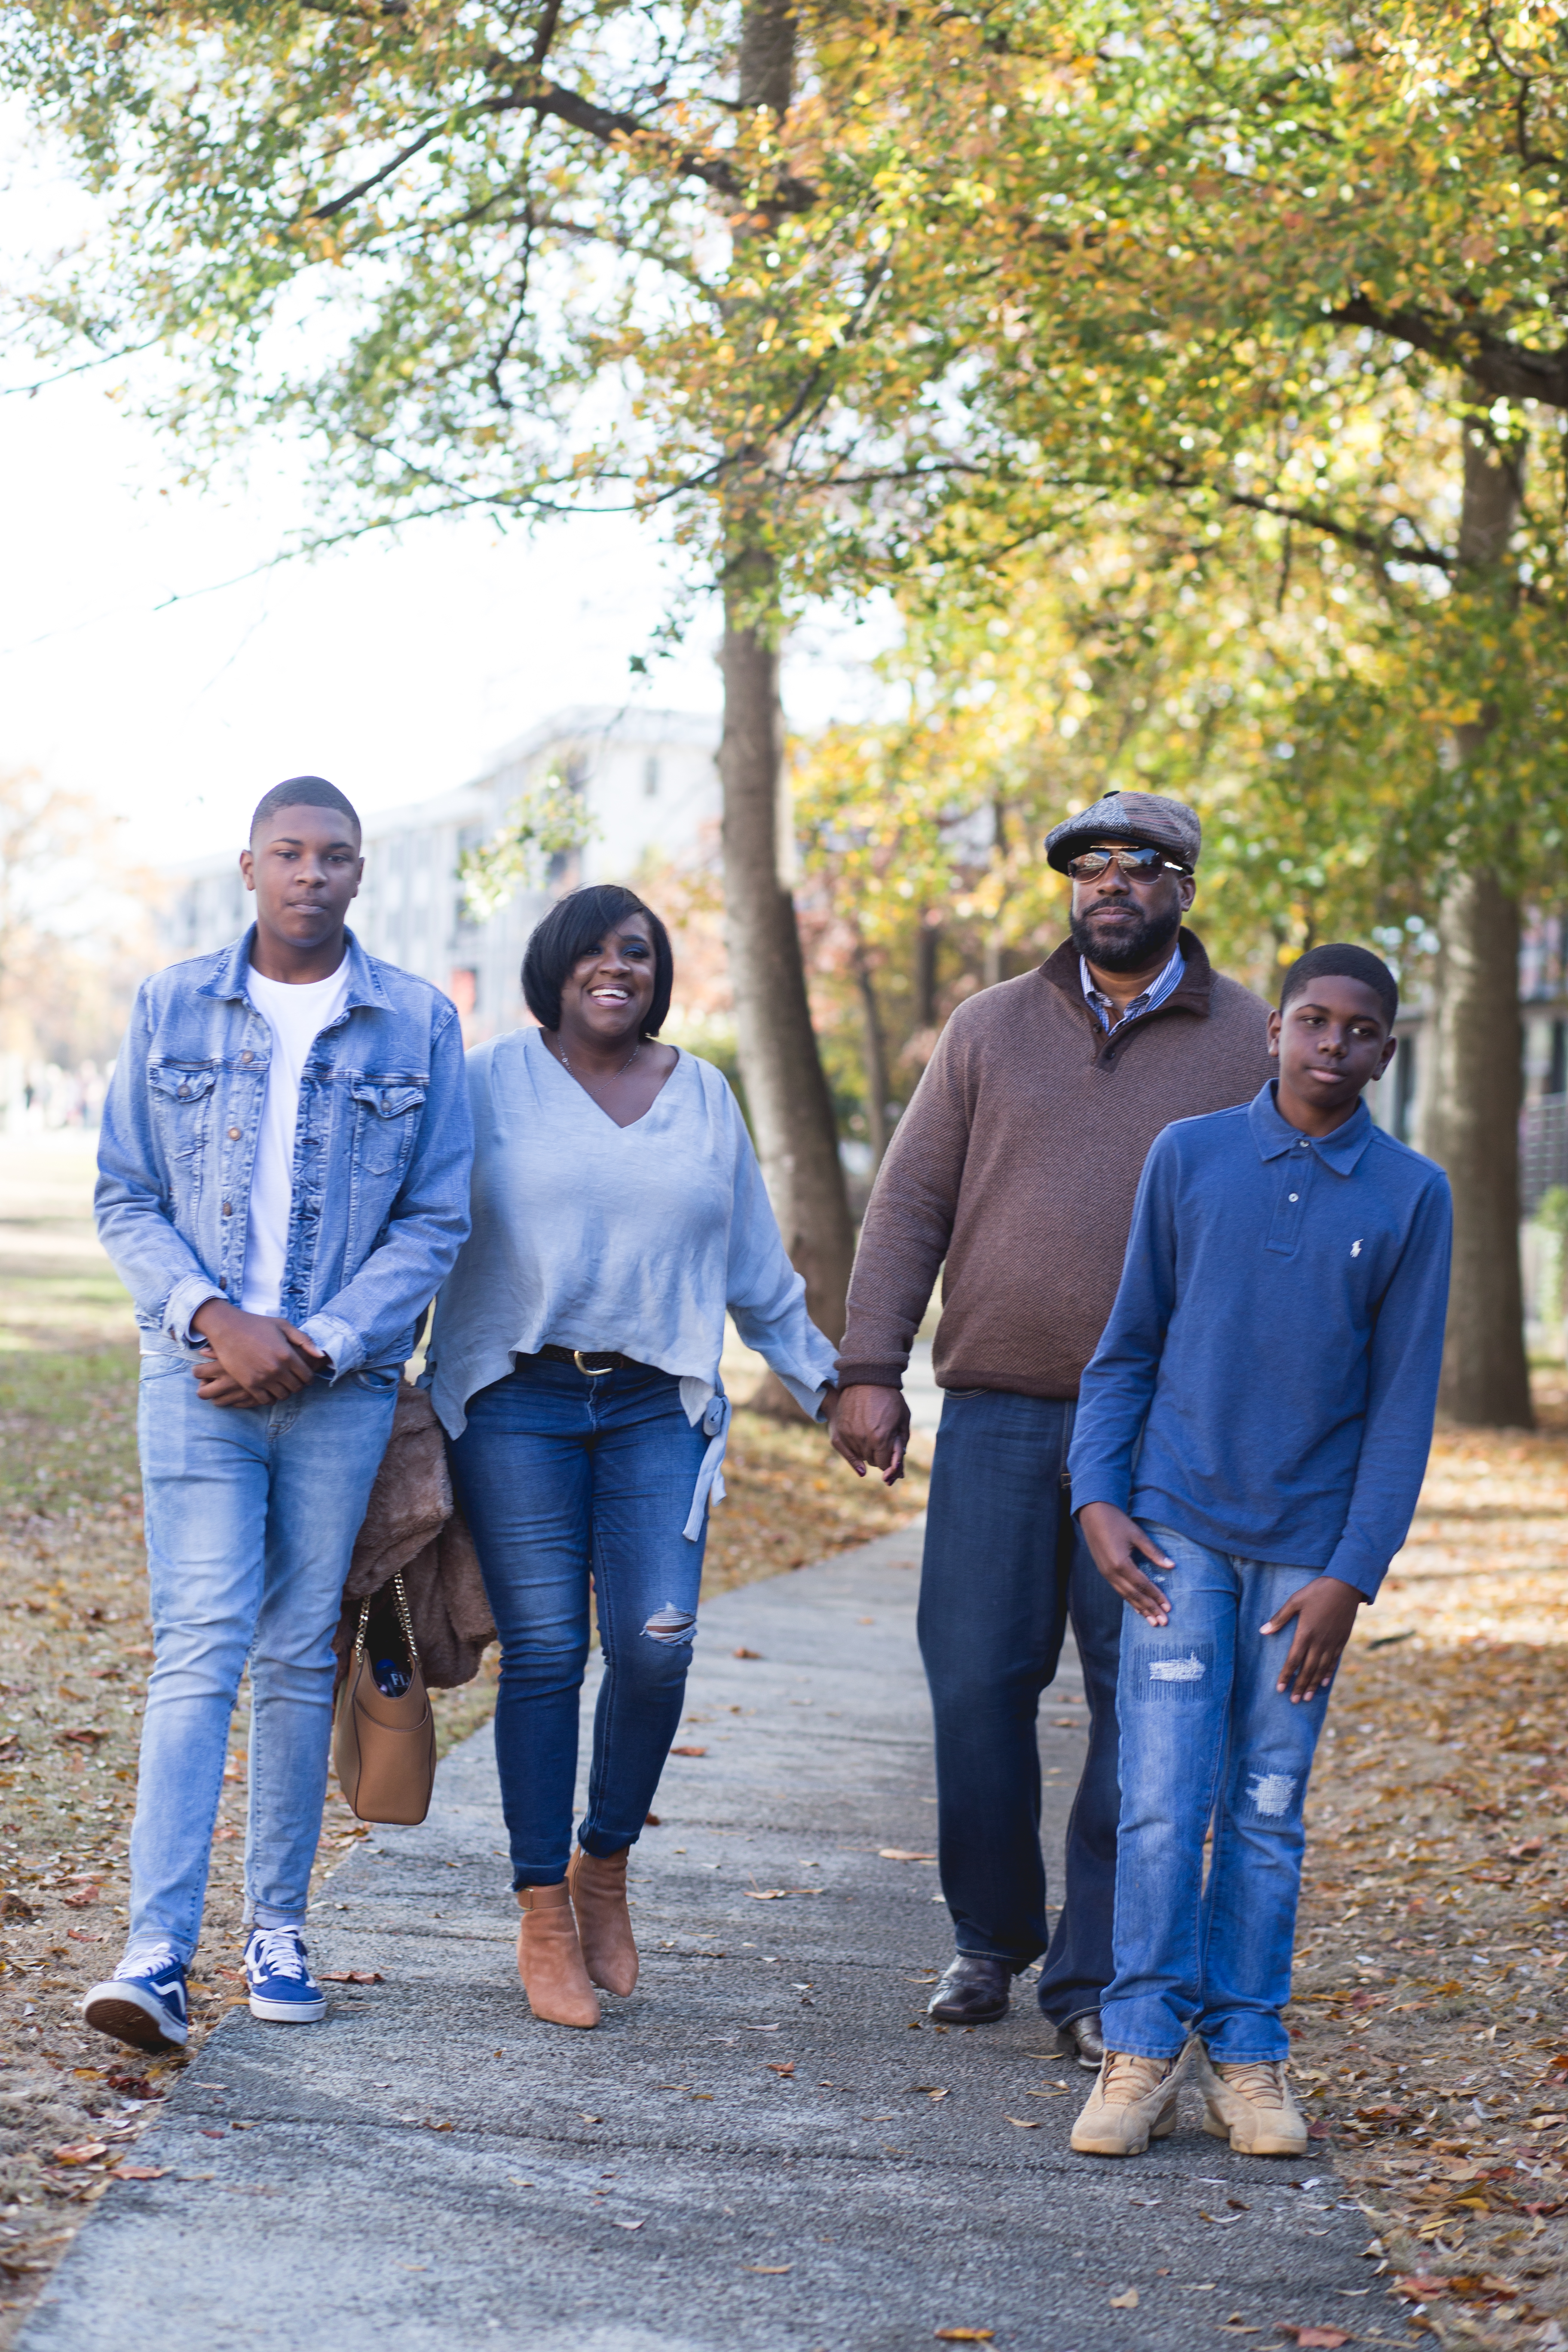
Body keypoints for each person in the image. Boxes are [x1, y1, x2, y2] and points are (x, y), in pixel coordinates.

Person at [831, 790, 1273, 2059]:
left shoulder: (1251, 1041)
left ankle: (1093, 1978)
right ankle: (990, 1939)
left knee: (1146, 1700)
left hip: (1163, 1441)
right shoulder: (989, 1029)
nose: (1112, 883)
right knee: (974, 1680)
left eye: (1141, 865)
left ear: (1186, 887)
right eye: (1091, 865)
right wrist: (872, 1364)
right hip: (997, 1415)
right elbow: (910, 1201)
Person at [83, 778, 472, 2052]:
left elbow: (438, 1218)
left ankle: (279, 1927)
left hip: (340, 1389)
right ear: (249, 866)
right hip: (195, 1379)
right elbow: (127, 1193)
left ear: (362, 874)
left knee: (303, 1648)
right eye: (289, 853)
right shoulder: (170, 1003)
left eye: (336, 856)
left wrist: (322, 1340)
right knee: (199, 1646)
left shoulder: (416, 1021)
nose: (312, 873)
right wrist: (215, 1318)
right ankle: (156, 1953)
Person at [426, 883, 838, 2030]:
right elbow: (420, 1230)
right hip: (517, 1398)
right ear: (555, 963)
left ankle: (604, 1865)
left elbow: (757, 1269)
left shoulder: (701, 1094)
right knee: (549, 1648)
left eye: (642, 953)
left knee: (657, 1648)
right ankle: (541, 1906)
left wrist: (830, 1387)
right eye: (600, 950)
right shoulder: (488, 1084)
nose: (621, 967)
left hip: (660, 1403)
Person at [1066, 944, 1451, 2158]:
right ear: (1274, 1029)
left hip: (1308, 1561)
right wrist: (1098, 1496)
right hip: (1178, 1532)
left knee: (1270, 1806)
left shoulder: (1411, 1195)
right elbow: (1126, 1346)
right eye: (1314, 1022)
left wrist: (1354, 1574)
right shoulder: (1189, 1158)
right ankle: (1139, 2050)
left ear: (1386, 1050)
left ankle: (1249, 2053)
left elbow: (1402, 1406)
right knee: (1164, 1803)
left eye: (1361, 1031)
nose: (1333, 1046)